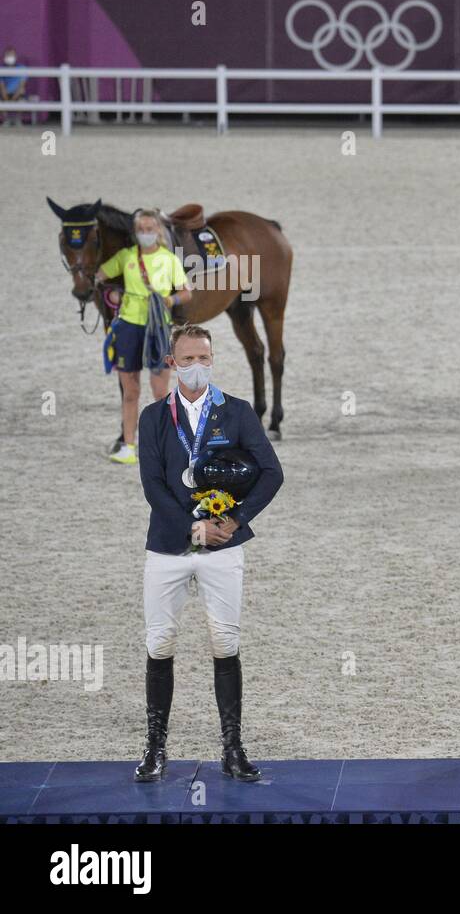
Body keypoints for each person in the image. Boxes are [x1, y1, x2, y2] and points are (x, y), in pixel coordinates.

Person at [134, 324, 284, 783]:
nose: (197, 367)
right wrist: (193, 528)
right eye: (188, 359)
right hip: (168, 545)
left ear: (212, 360)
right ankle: (156, 748)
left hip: (224, 545)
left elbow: (271, 473)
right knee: (160, 644)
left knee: (226, 643)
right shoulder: (153, 418)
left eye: (204, 358)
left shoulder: (236, 413)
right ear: (172, 363)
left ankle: (232, 747)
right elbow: (153, 486)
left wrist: (234, 522)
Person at [95, 209, 192, 465]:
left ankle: (162, 446)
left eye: (150, 229)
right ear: (135, 232)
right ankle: (128, 445)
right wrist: (113, 293)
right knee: (130, 390)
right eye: (141, 230)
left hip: (158, 327)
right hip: (128, 326)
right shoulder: (126, 257)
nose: (145, 234)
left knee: (160, 392)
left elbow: (186, 292)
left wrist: (170, 299)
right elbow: (100, 276)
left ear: (158, 231)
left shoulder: (169, 259)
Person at [1, 47, 28, 126]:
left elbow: (22, 85)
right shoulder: (1, 69)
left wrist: (13, 99)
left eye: (11, 55)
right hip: (5, 94)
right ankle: (6, 119)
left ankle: (17, 119)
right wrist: (6, 99)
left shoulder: (22, 68)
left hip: (17, 93)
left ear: (15, 56)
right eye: (8, 55)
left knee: (22, 96)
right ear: (4, 57)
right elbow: (1, 86)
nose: (10, 57)